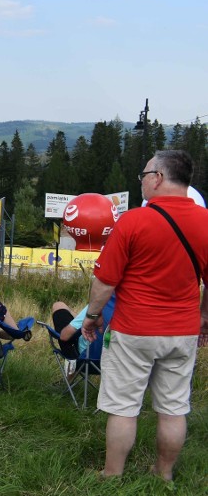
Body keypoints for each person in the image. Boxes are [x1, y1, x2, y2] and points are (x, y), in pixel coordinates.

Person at [80, 150, 208, 481]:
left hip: (134, 329)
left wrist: (92, 317)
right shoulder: (205, 224)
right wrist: (203, 318)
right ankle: (163, 475)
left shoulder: (133, 221)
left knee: (123, 408)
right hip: (182, 331)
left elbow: (105, 281)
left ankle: (112, 475)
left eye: (144, 175)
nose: (143, 182)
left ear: (159, 178)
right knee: (173, 409)